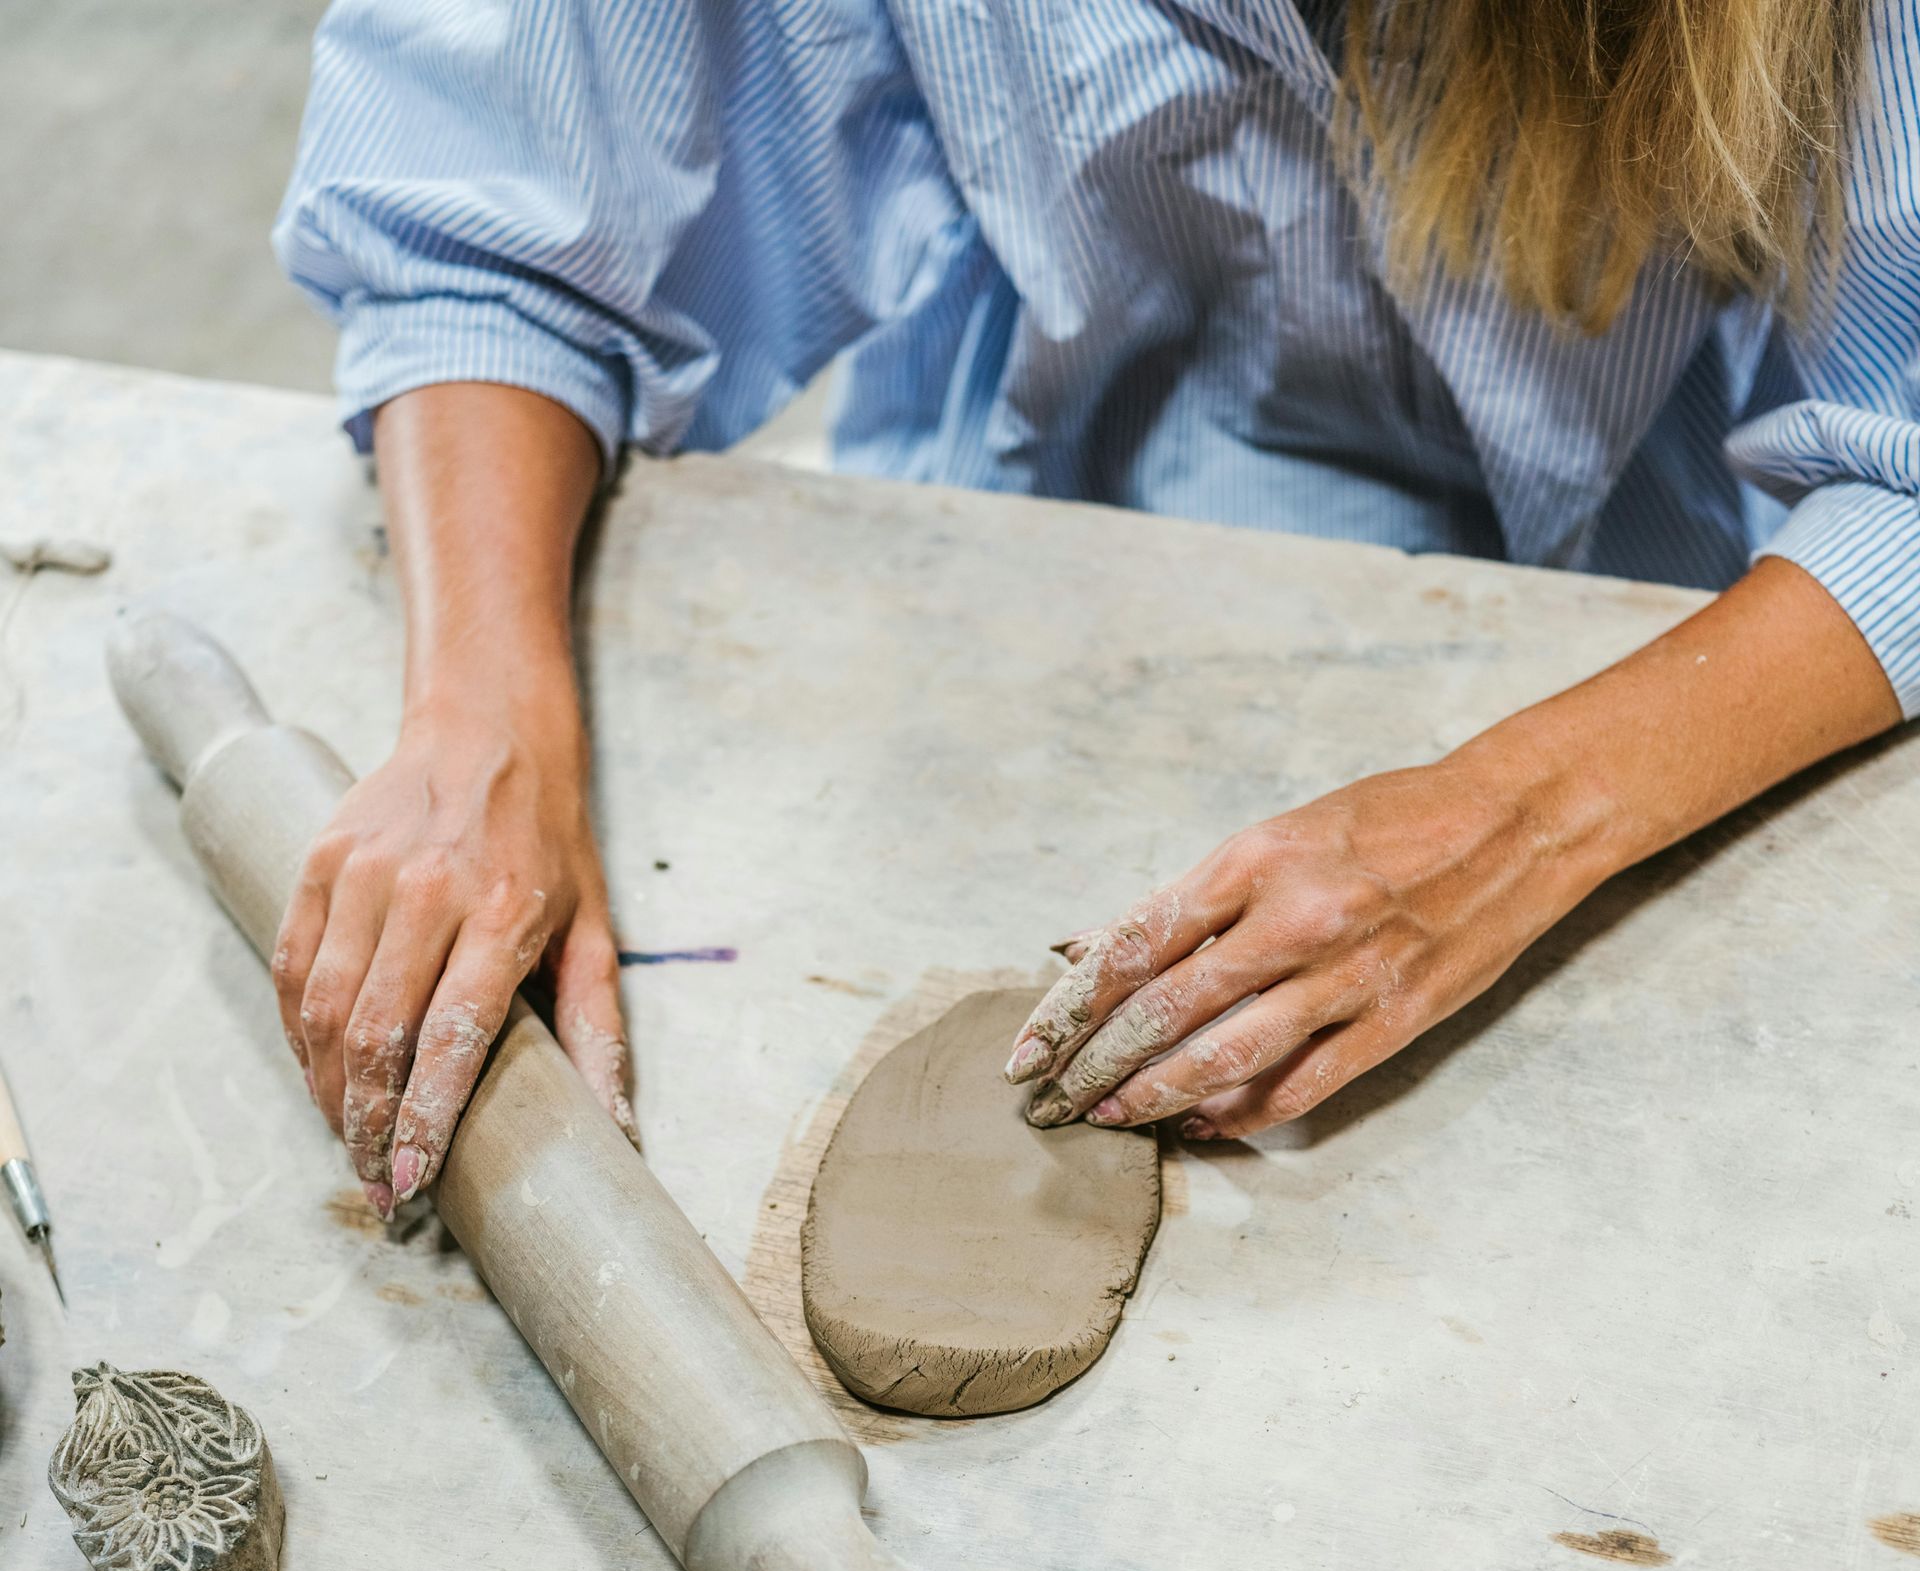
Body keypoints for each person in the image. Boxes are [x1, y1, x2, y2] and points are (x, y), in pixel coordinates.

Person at [273, 0, 1910, 1214]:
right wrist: (483, 716)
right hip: (1028, 521)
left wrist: (1523, 820)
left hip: (1654, 611)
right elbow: (486, 211)